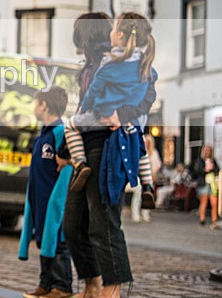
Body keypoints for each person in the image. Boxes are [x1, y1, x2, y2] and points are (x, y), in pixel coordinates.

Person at [59, 13, 156, 298]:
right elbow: (84, 109)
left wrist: (123, 114)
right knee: (74, 224)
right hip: (85, 149)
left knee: (104, 224)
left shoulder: (123, 63)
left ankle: (112, 295)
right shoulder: (93, 66)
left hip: (107, 147)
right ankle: (92, 286)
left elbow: (146, 98)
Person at [63, 13, 157, 209]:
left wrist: (89, 111)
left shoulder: (108, 64)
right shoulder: (142, 65)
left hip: (103, 137)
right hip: (123, 131)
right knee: (140, 146)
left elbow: (94, 96)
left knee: (102, 225)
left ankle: (80, 163)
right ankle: (148, 184)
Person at [19, 87, 73, 298]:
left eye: (36, 103)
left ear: (44, 105)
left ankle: (62, 285)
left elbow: (67, 167)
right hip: (39, 198)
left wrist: (58, 199)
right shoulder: (43, 133)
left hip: (53, 199)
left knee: (57, 241)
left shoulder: (60, 132)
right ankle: (46, 283)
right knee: (43, 238)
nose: (34, 107)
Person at [130, 134, 161, 223]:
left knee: (147, 195)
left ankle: (146, 214)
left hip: (149, 176)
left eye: (148, 142)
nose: (146, 143)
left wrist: (153, 173)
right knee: (138, 194)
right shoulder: (138, 150)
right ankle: (135, 214)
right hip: (138, 176)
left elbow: (158, 165)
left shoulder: (154, 153)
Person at [194, 145, 219, 226]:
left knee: (214, 202)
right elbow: (197, 171)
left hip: (212, 183)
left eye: (209, 150)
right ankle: (202, 219)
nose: (207, 152)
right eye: (206, 150)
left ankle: (214, 219)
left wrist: (212, 168)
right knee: (204, 202)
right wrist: (205, 170)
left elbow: (217, 170)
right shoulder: (200, 160)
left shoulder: (213, 161)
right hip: (203, 183)